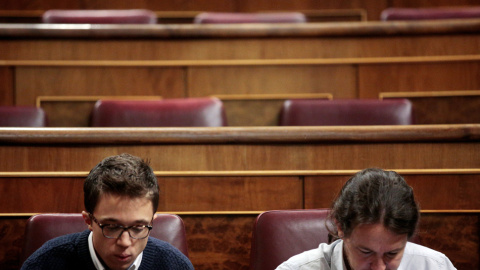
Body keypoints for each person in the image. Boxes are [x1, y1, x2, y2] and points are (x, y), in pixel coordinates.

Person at [22, 153, 194, 270]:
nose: (125, 242)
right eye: (112, 226)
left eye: (138, 227)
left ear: (152, 222)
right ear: (88, 220)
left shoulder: (175, 265)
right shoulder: (44, 263)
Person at [276, 168, 456, 270]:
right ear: (340, 227)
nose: (379, 268)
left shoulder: (434, 266)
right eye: (365, 252)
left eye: (391, 254)